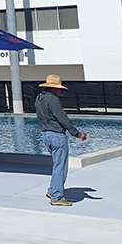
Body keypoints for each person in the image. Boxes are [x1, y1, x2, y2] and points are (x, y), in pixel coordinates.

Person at [35, 74, 86, 206]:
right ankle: (56, 197)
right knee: (61, 167)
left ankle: (52, 190)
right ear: (54, 88)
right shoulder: (53, 101)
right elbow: (63, 119)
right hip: (57, 135)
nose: (60, 91)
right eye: (59, 89)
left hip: (46, 134)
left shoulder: (39, 98)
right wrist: (77, 134)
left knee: (57, 165)